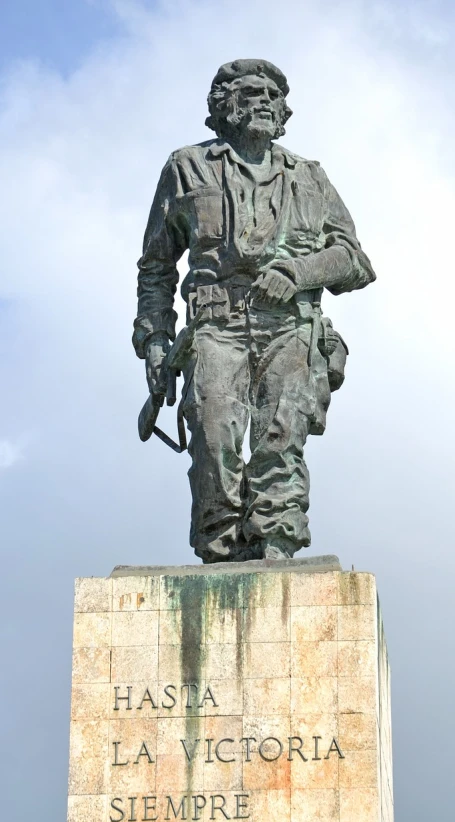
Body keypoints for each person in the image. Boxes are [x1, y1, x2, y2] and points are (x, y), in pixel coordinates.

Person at [133, 58, 376, 563]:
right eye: (249, 92)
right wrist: (156, 342)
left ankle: (275, 546)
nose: (264, 100)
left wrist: (298, 273)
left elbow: (355, 260)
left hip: (290, 327)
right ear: (224, 107)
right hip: (215, 327)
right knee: (213, 434)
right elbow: (156, 266)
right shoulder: (186, 167)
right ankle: (221, 551)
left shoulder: (309, 177)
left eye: (272, 94)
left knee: (280, 436)